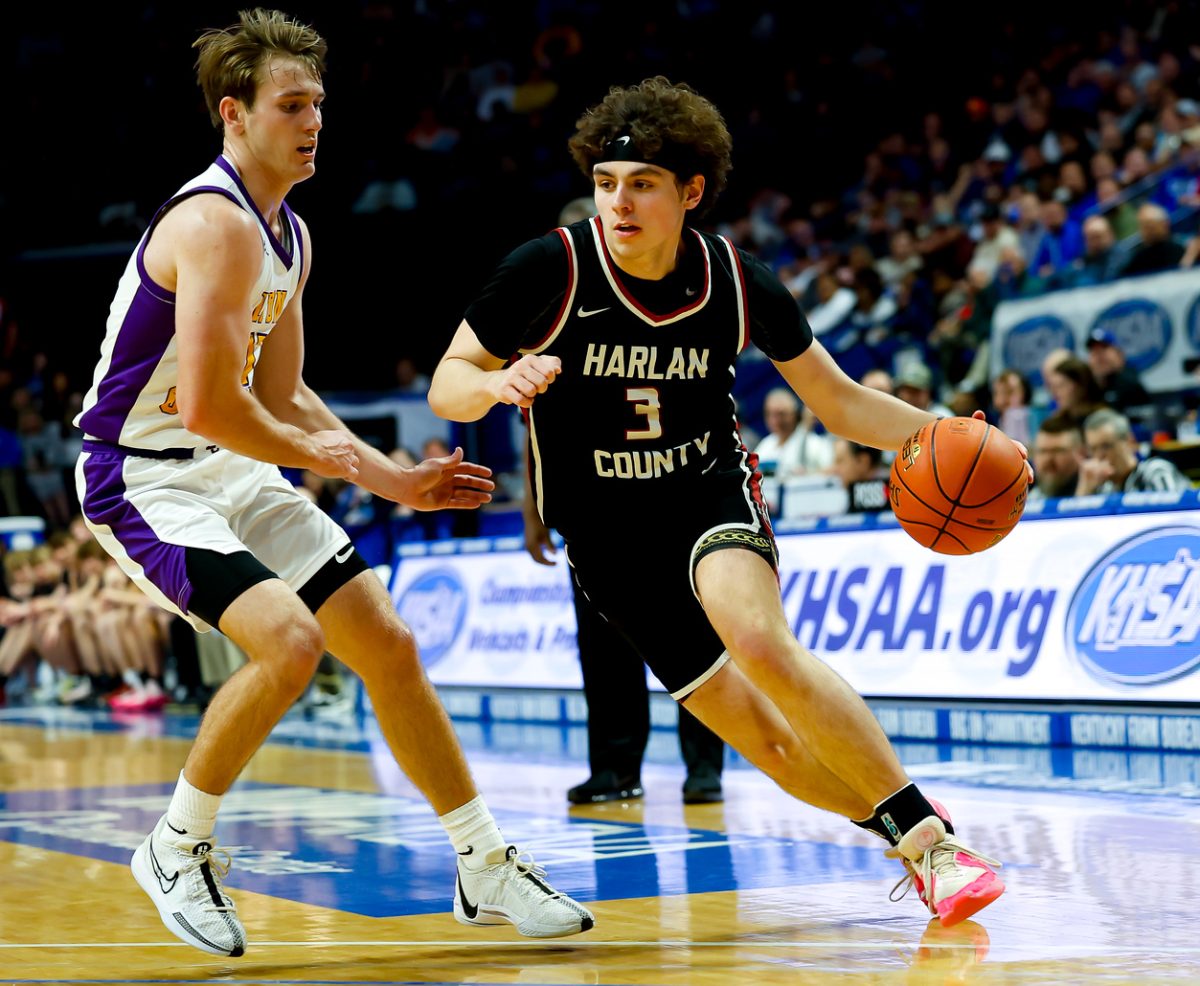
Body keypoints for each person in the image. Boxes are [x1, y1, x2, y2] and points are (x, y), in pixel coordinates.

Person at [430, 76, 1020, 929]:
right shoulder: (547, 268)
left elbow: (842, 402)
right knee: (774, 751)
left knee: (759, 638)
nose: (618, 203)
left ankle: (932, 845)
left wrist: (954, 433)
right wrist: (496, 385)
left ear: (690, 191)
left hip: (706, 492)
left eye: (641, 185)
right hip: (606, 539)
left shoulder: (738, 280)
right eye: (605, 183)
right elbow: (451, 378)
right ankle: (908, 833)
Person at [72, 10, 592, 957]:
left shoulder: (289, 234)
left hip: (224, 464)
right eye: (292, 104)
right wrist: (339, 463)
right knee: (288, 642)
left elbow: (282, 393)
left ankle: (481, 862)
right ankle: (175, 845)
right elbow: (204, 408)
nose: (313, 121)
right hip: (139, 474)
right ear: (234, 114)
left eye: (319, 103)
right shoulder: (212, 222)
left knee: (386, 642)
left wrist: (395, 479)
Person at [522, 460, 725, 805]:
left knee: (692, 636)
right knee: (603, 644)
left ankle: (704, 765)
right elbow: (533, 432)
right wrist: (532, 511)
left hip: (673, 493)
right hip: (592, 510)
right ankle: (616, 769)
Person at [1076, 408, 1191, 494]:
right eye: (1093, 449)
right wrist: (1085, 487)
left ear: (1129, 442)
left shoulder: (1155, 471)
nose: (1099, 455)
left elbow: (1171, 518)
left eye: (1106, 446)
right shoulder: (1104, 488)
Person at [754, 387, 834, 478]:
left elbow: (831, 474)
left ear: (795, 413)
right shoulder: (765, 444)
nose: (774, 421)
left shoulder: (816, 444)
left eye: (781, 414)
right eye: (769, 414)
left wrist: (808, 476)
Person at [1028, 415, 1085, 500]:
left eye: (1058, 451)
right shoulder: (1029, 493)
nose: (1048, 459)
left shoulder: (1096, 489)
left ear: (1080, 453)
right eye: (1043, 451)